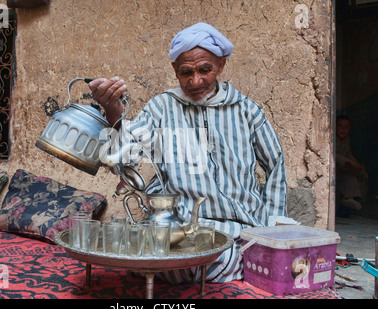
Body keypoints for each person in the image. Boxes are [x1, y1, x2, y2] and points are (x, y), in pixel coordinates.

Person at [89, 22, 287, 284]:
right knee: (157, 257)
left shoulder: (247, 111)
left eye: (205, 69)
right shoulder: (161, 108)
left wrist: (270, 231)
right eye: (186, 72)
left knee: (216, 261)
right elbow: (125, 161)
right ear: (175, 70)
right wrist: (113, 111)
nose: (196, 81)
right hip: (178, 229)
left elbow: (275, 165)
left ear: (221, 65)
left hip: (238, 231)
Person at [336, 115, 366, 212]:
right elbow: (332, 154)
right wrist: (349, 162)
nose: (343, 128)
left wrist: (357, 165)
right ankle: (348, 199)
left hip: (342, 170)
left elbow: (348, 153)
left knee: (351, 174)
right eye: (340, 126)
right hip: (332, 170)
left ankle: (350, 199)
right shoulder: (331, 138)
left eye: (346, 126)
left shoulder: (346, 140)